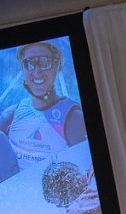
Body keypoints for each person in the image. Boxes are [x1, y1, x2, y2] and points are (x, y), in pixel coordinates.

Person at [1, 41, 87, 170]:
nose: (37, 71)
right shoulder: (13, 113)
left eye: (45, 63)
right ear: (23, 69)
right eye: (29, 63)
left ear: (58, 66)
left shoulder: (73, 117)